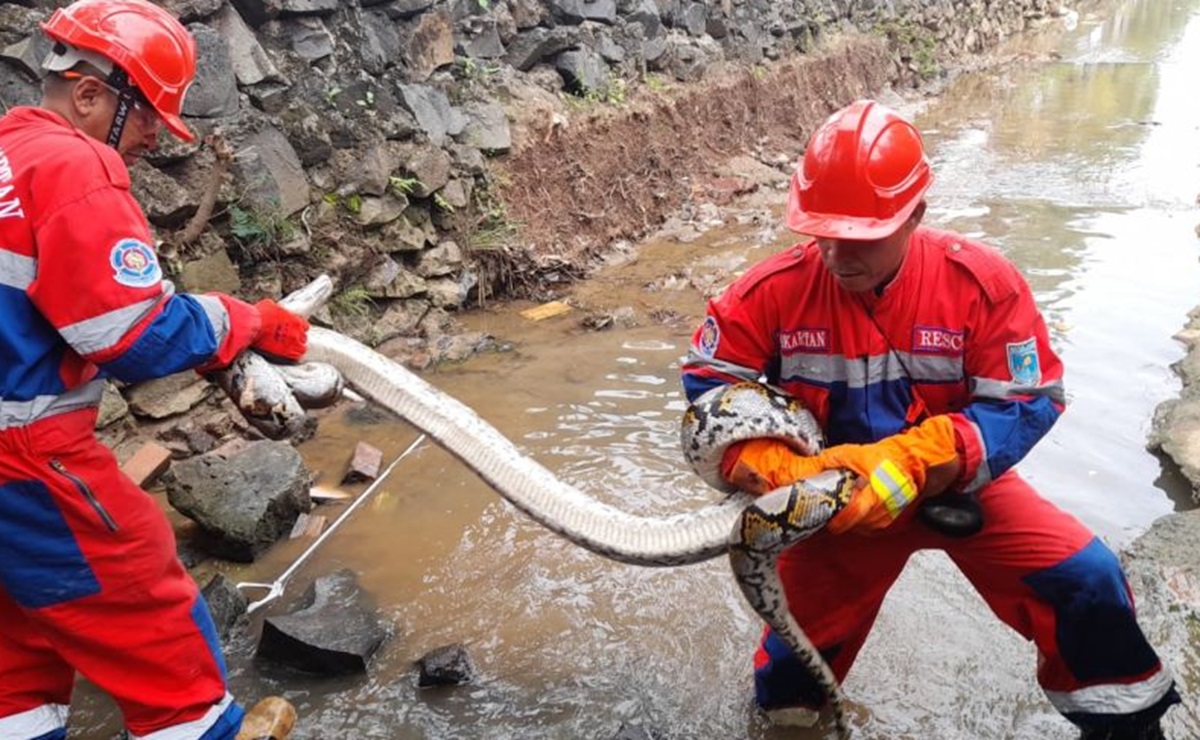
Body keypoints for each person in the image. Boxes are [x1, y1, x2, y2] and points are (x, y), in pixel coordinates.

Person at [680, 99, 1180, 739]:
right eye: (821, 234)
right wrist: (763, 467)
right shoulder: (768, 293)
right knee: (792, 664)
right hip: (835, 500)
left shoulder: (982, 285)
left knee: (1087, 581)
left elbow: (1030, 399)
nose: (836, 256)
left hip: (959, 485)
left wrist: (925, 457)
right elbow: (710, 385)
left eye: (859, 238)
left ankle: (1128, 729)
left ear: (915, 213)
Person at [0, 1, 308, 739]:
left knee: (16, 661)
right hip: (27, 468)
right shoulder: (74, 166)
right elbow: (135, 335)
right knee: (160, 642)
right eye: (146, 118)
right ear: (89, 93)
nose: (148, 139)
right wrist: (252, 321)